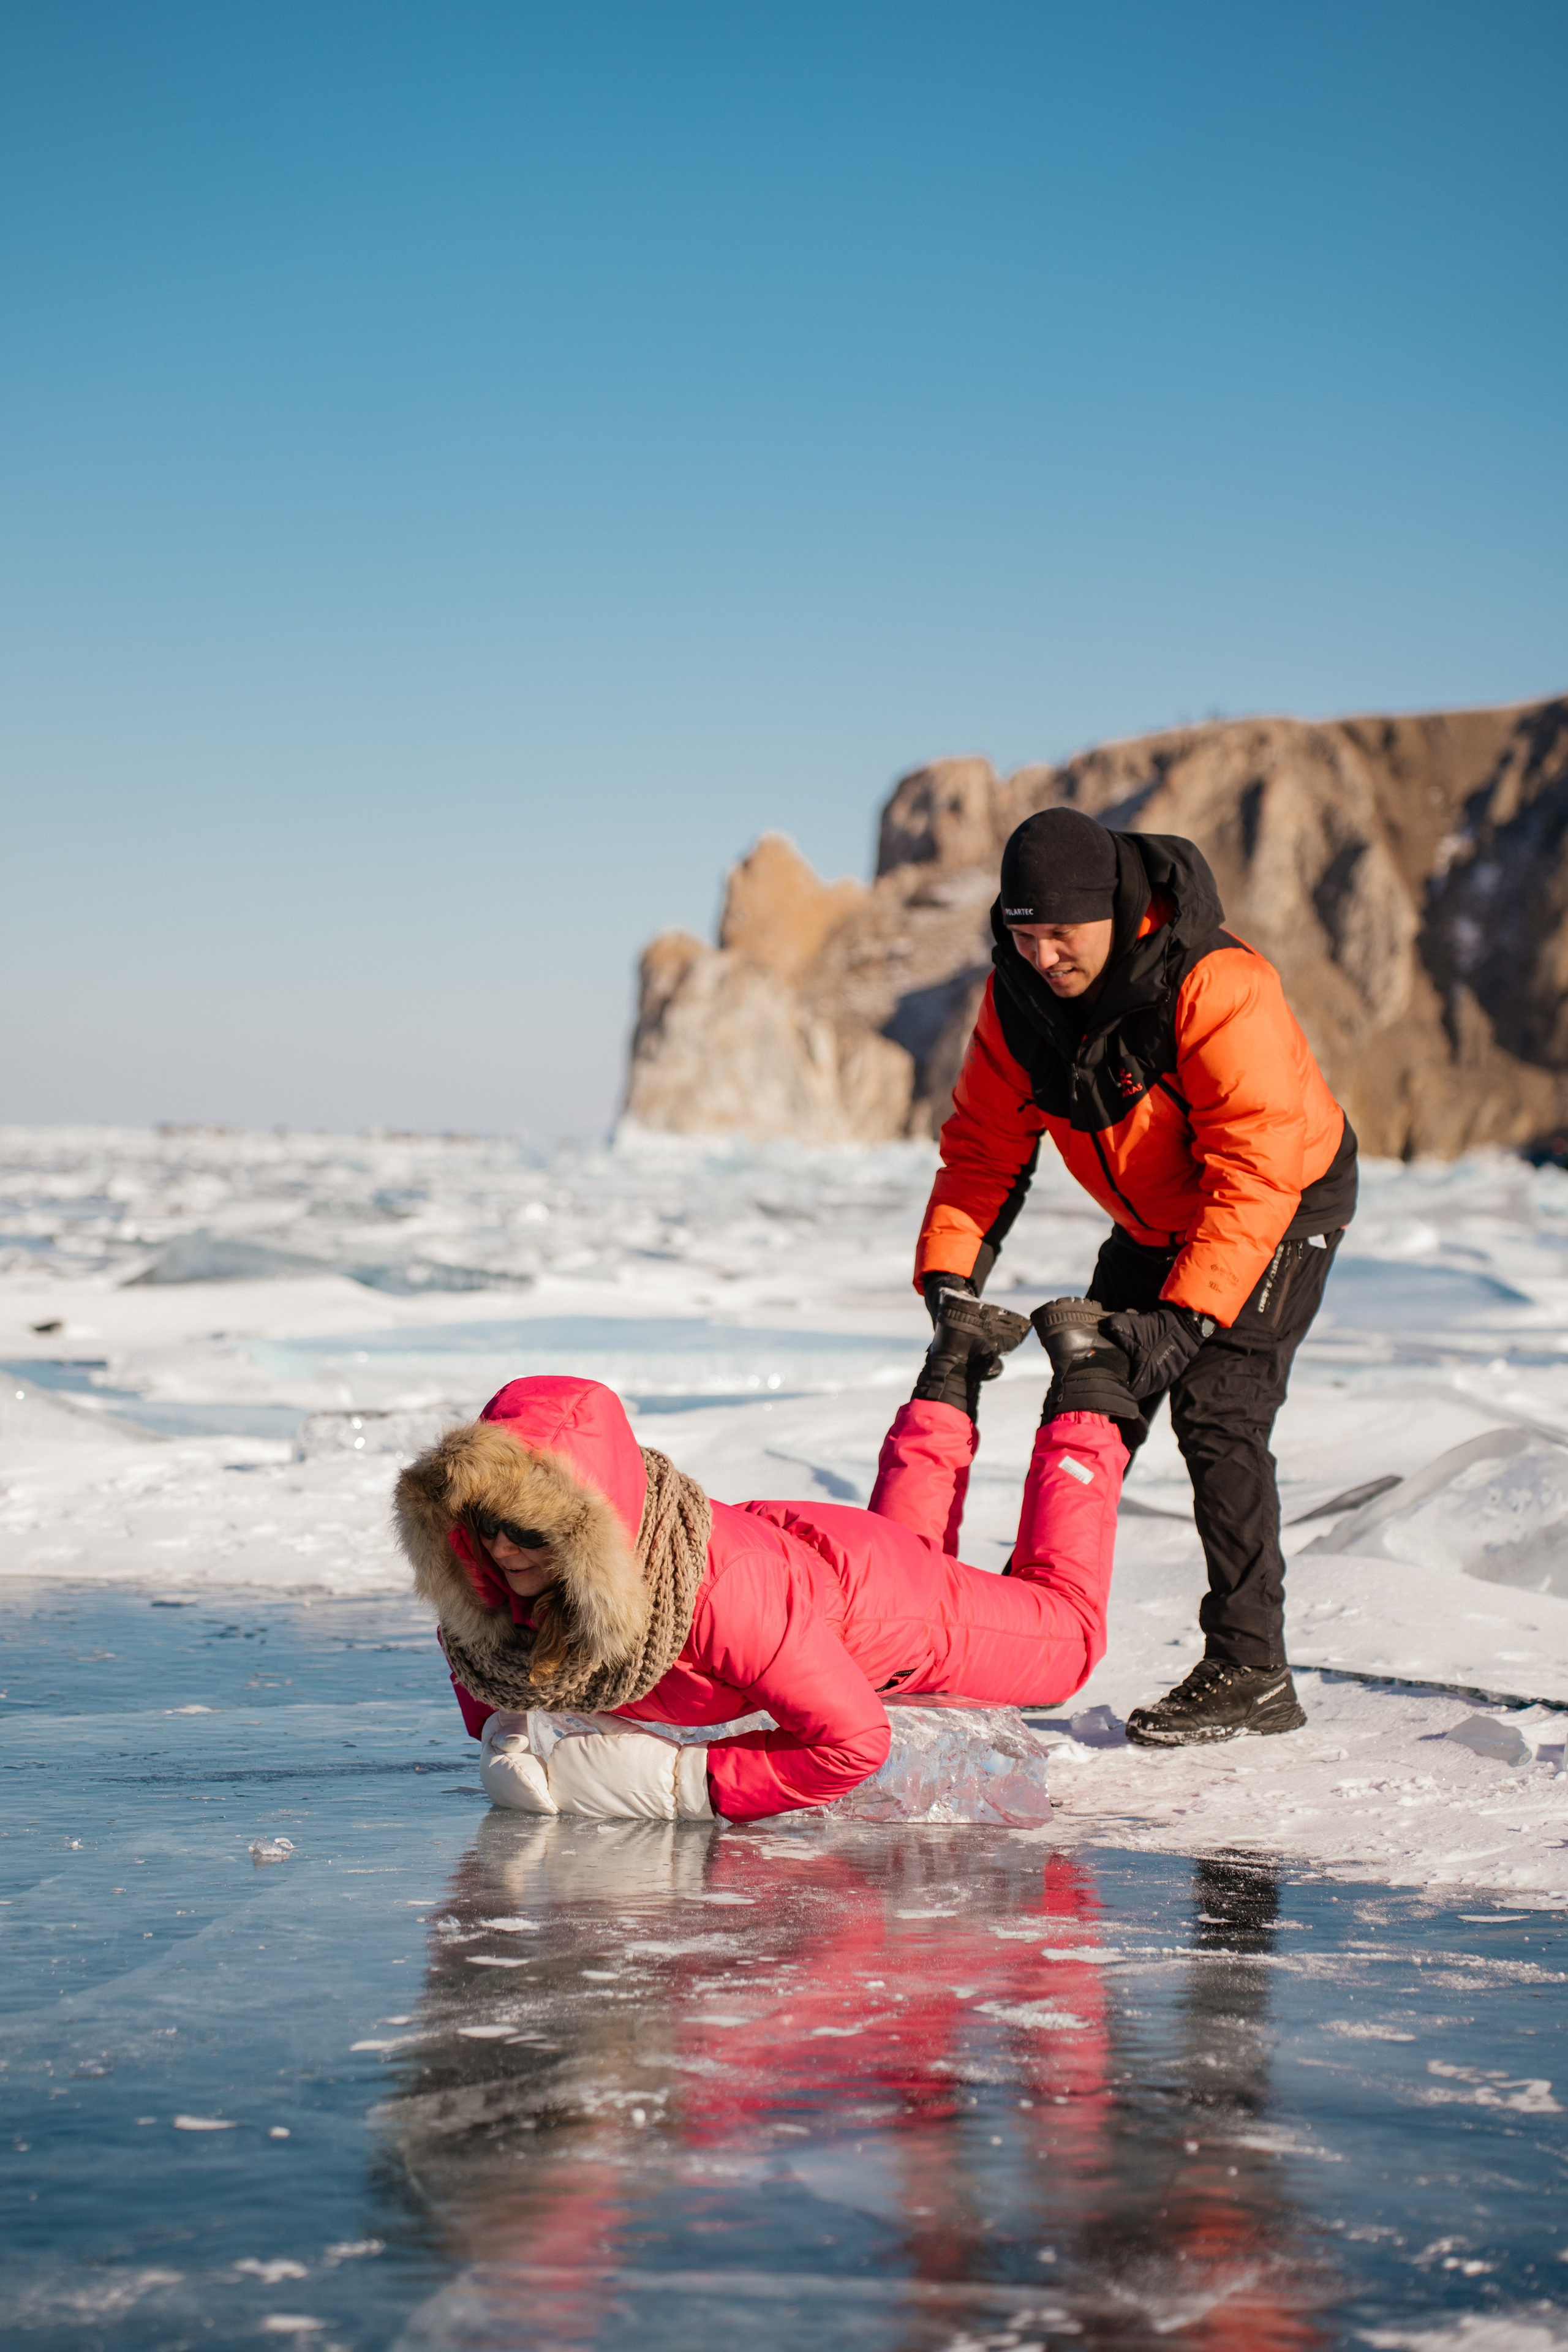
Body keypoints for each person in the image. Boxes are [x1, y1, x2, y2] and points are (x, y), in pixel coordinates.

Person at [911, 805, 1357, 1747]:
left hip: (1282, 1199)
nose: (1043, 956)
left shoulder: (1215, 983)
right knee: (1091, 1388)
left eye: (1061, 934)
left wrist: (1188, 1320)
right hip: (1156, 1218)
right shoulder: (1018, 1001)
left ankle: (1252, 1667)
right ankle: (1025, 1629)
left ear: (1114, 908)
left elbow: (1257, 1168)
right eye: (1023, 935)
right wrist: (951, 1279)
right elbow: (985, 1148)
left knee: (1217, 1411)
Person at [392, 1325, 1135, 1823]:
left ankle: (1086, 1389)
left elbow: (854, 1744)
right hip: (800, 1562)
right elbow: (490, 1686)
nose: (503, 1549)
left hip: (881, 1604)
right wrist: (505, 1734)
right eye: (485, 1524)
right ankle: (953, 1366)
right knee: (909, 1544)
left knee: (1065, 1641)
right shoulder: (485, 1605)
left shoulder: (714, 1597)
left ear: (596, 1530)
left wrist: (688, 1785)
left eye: (531, 1528)